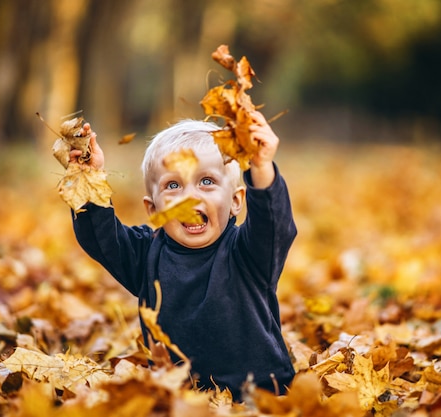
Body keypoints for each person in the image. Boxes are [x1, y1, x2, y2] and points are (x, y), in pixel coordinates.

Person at [69, 111, 297, 400]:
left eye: (207, 182)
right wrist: (88, 179)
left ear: (236, 201)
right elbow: (100, 238)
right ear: (153, 209)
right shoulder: (145, 253)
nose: (190, 197)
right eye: (173, 185)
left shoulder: (248, 253)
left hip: (261, 396)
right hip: (179, 400)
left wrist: (261, 167)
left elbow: (273, 224)